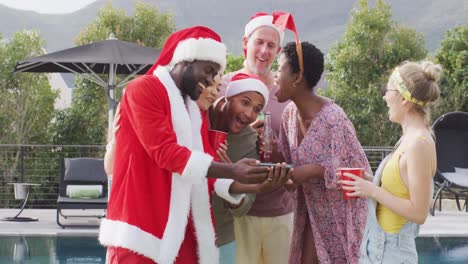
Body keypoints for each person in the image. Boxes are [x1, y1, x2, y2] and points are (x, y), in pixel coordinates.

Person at [98, 26, 272, 264]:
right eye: (209, 71)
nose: (211, 81)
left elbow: (205, 172)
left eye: (216, 74)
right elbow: (167, 153)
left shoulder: (195, 111)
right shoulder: (143, 89)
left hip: (183, 239)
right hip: (140, 234)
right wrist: (232, 170)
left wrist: (259, 182)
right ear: (186, 60)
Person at [275, 41, 370, 264]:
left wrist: (315, 171)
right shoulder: (289, 115)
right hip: (308, 214)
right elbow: (290, 169)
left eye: (279, 69)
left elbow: (362, 175)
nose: (275, 75)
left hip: (339, 221)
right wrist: (268, 148)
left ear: (297, 78)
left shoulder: (334, 120)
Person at [341, 61, 442, 264]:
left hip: (391, 256)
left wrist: (372, 190)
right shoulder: (407, 140)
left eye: (388, 90)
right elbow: (400, 189)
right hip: (378, 251)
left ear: (404, 99)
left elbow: (419, 212)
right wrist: (369, 182)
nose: (385, 96)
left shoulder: (418, 145)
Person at [218, 12, 294, 264]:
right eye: (258, 42)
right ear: (244, 44)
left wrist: (274, 147)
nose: (264, 50)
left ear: (278, 50)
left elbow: (298, 149)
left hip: (281, 210)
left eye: (271, 45)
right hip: (236, 213)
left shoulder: (287, 95)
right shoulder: (222, 87)